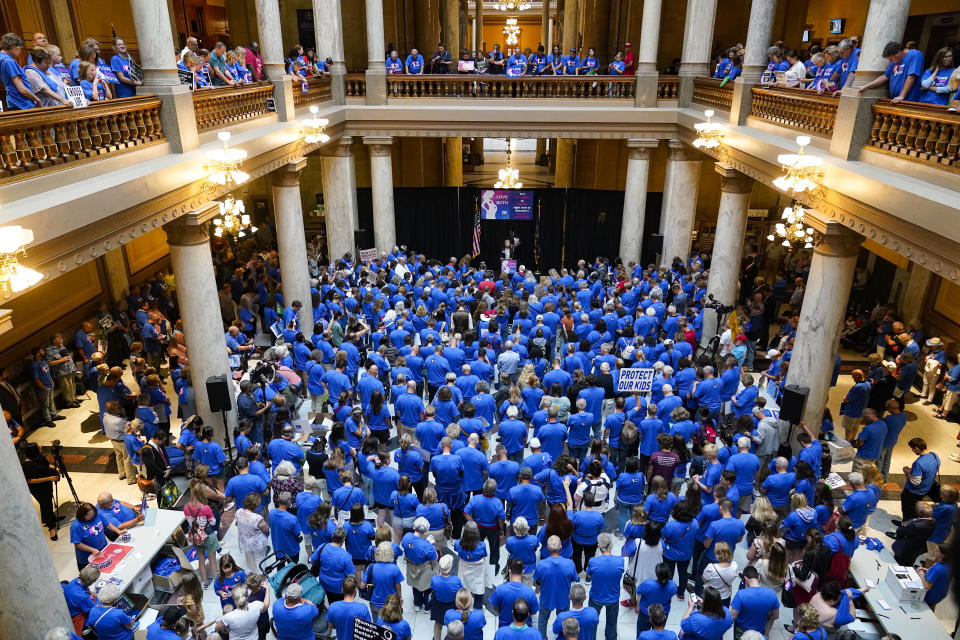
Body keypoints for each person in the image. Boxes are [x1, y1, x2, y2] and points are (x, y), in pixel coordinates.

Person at [534, 534, 579, 637]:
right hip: (563, 598)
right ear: (561, 547)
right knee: (564, 622)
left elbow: (538, 581)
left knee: (542, 621)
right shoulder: (569, 564)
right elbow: (574, 579)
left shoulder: (541, 564)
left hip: (546, 597)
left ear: (548, 548)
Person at [857, 41, 924, 103]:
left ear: (898, 53)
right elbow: (884, 77)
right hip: (895, 99)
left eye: (891, 58)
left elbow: (911, 77)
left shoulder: (915, 55)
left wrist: (901, 96)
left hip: (908, 100)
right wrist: (866, 86)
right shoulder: (895, 61)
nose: (891, 61)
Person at [586, 532, 623, 640]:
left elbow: (589, 573)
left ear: (598, 546)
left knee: (592, 622)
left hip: (596, 596)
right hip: (613, 597)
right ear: (611, 545)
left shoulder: (593, 561)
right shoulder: (619, 561)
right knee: (612, 623)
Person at [21, 442, 61, 540]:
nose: (41, 446)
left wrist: (56, 468)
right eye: (38, 447)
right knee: (45, 505)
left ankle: (52, 518)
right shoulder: (27, 464)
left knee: (48, 502)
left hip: (46, 484)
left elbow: (46, 466)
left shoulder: (40, 457)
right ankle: (51, 528)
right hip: (37, 488)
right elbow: (30, 480)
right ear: (34, 451)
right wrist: (49, 478)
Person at [729, 565, 779, 640]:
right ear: (758, 577)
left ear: (745, 578)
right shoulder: (772, 594)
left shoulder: (741, 594)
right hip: (759, 631)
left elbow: (732, 616)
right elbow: (775, 615)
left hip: (741, 630)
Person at [490, 557, 540, 627]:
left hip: (505, 626)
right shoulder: (530, 593)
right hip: (524, 628)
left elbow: (495, 608)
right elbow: (533, 612)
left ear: (510, 571)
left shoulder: (500, 589)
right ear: (523, 572)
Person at [71, 501, 120, 570]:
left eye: (92, 514)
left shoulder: (97, 514)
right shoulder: (76, 525)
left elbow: (107, 524)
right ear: (82, 515)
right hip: (86, 557)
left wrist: (118, 531)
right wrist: (92, 550)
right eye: (88, 515)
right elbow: (77, 543)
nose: (91, 517)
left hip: (102, 550)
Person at [900, 437, 940, 520]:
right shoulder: (934, 455)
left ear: (916, 448)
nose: (912, 451)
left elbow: (915, 482)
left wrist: (907, 472)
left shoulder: (918, 462)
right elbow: (929, 469)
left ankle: (906, 528)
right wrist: (912, 470)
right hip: (927, 487)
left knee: (909, 512)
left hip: (914, 492)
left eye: (912, 449)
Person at [0, 33, 42, 109]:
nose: (20, 52)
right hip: (21, 102)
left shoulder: (1, 58)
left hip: (13, 101)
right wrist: (37, 99)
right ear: (13, 46)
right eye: (19, 48)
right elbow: (22, 89)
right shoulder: (9, 61)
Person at [636, 562, 677, 636]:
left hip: (646, 612)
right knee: (657, 634)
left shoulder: (648, 584)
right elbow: (673, 593)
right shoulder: (672, 585)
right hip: (662, 614)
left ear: (657, 574)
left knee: (641, 633)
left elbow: (638, 591)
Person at [236, 491, 270, 575]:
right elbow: (266, 529)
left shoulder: (239, 512)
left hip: (245, 541)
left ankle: (253, 573)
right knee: (260, 559)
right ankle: (259, 577)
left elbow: (237, 523)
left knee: (250, 559)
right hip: (257, 543)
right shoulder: (257, 518)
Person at [700, 541, 738, 605]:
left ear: (717, 554)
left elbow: (704, 579)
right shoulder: (735, 565)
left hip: (710, 596)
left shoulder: (711, 568)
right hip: (725, 596)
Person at [919, 544, 950, 611]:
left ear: (943, 555)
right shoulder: (949, 564)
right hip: (942, 592)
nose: (933, 551)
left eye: (937, 551)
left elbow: (926, 586)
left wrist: (922, 574)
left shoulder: (937, 569)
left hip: (931, 596)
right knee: (933, 605)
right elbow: (941, 575)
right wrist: (928, 570)